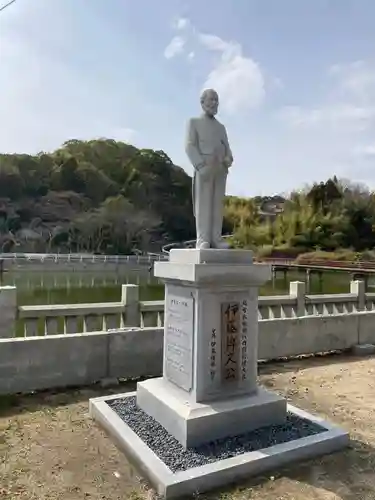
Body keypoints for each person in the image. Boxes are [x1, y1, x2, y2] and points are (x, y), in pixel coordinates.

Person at [185, 89, 233, 249]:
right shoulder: (194, 122)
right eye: (211, 99)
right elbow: (189, 145)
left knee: (217, 205)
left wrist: (228, 158)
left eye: (216, 100)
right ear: (202, 102)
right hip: (204, 167)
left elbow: (227, 148)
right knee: (203, 204)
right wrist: (199, 165)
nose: (214, 103)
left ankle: (216, 238)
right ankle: (203, 239)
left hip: (220, 168)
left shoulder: (221, 127)